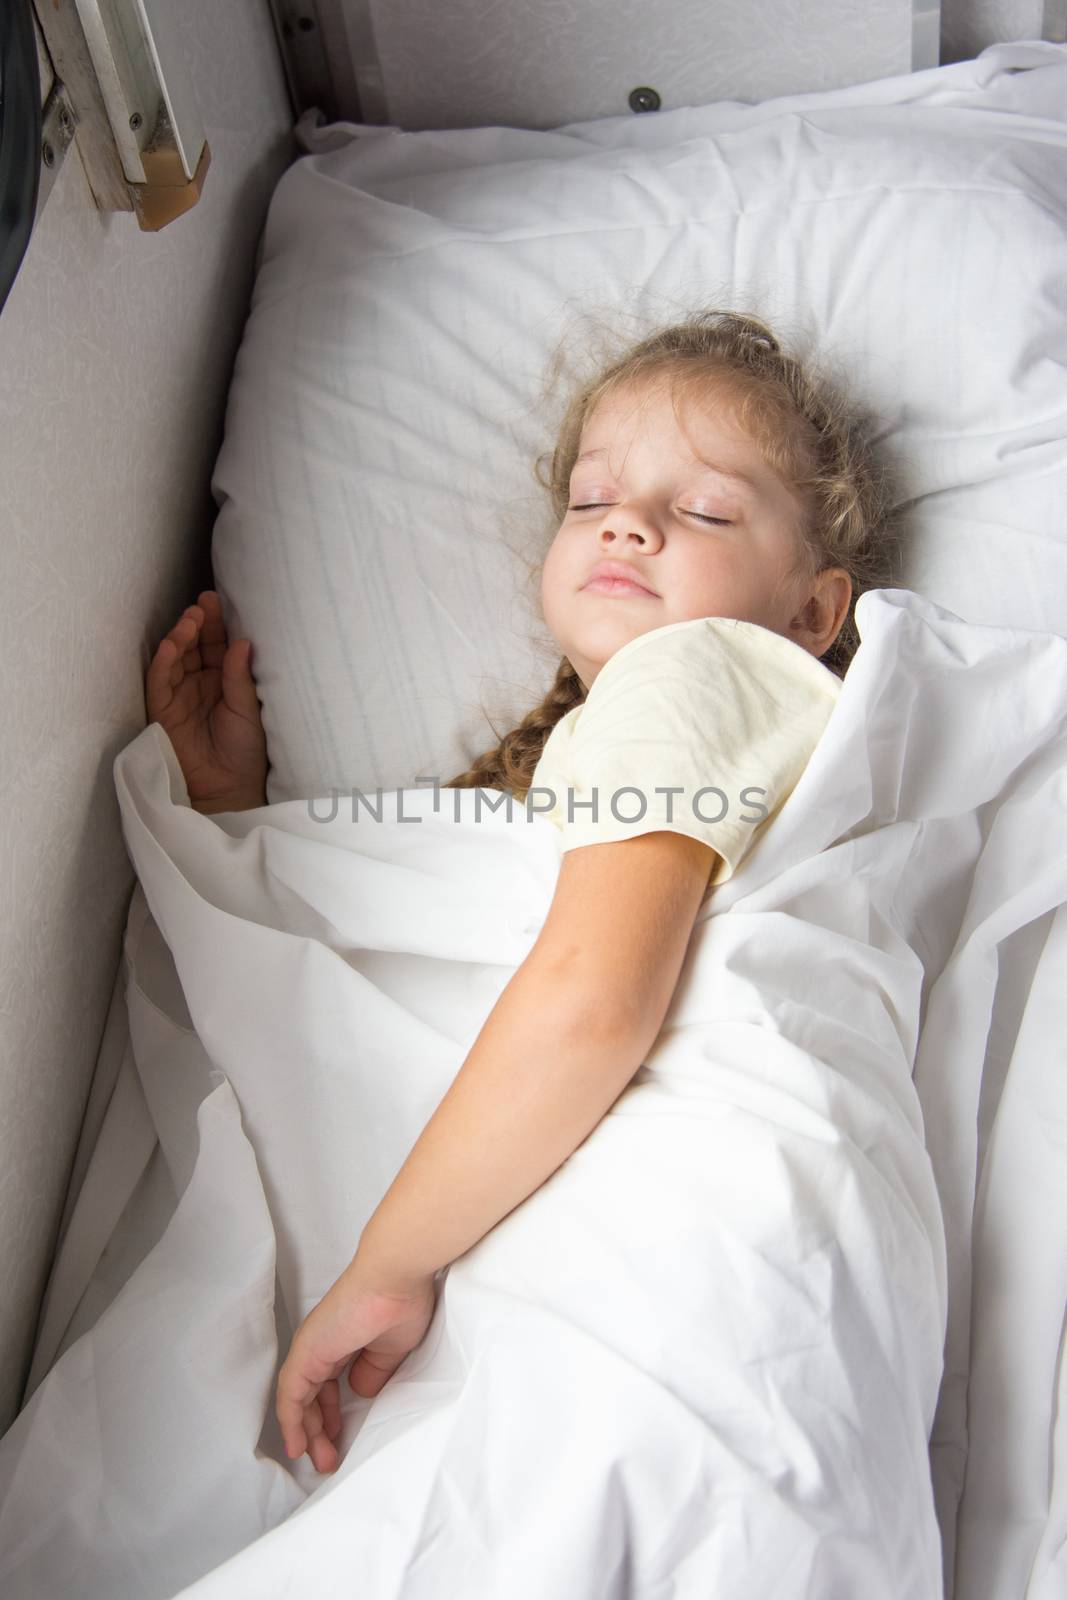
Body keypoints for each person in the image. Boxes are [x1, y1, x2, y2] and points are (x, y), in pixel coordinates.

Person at [145, 309, 901, 1477]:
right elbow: (455, 949)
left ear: (810, 612)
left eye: (702, 509)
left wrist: (386, 1262)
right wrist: (242, 819)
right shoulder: (606, 751)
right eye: (591, 498)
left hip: (695, 1232)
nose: (630, 523)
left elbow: (589, 1002)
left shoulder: (689, 675)